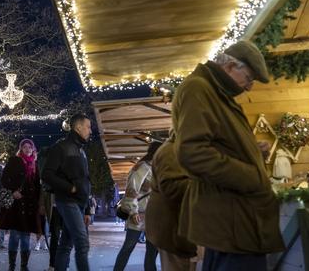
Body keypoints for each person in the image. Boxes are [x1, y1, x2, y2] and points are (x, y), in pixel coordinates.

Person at [174, 40, 285, 270]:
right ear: (230, 66)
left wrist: (252, 151)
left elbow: (218, 144)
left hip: (232, 221)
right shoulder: (200, 89)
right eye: (249, 77)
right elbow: (193, 152)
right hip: (231, 222)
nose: (249, 87)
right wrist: (251, 176)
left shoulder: (214, 91)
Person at [42, 114, 93, 271]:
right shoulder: (61, 148)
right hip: (67, 201)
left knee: (65, 245)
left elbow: (86, 181)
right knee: (82, 243)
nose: (90, 131)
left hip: (79, 203)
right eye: (88, 127)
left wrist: (87, 209)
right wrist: (69, 188)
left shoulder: (81, 151)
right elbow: (47, 174)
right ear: (78, 127)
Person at [145, 134, 198, 271]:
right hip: (174, 233)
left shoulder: (180, 149)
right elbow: (172, 187)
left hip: (177, 232)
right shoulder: (170, 151)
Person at [113, 141, 160, 271]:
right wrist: (133, 212)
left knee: (152, 251)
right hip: (138, 214)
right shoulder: (142, 166)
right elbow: (131, 189)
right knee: (128, 247)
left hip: (153, 216)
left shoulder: (157, 168)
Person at [0, 139, 42, 271]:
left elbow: (37, 185)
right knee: (15, 235)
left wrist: (39, 204)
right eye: (25, 147)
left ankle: (24, 266)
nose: (27, 149)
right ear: (21, 149)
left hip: (29, 205)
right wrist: (13, 191)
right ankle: (12, 266)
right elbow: (4, 179)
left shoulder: (35, 164)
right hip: (16, 203)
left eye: (30, 147)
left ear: (33, 149)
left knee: (26, 235)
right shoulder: (14, 161)